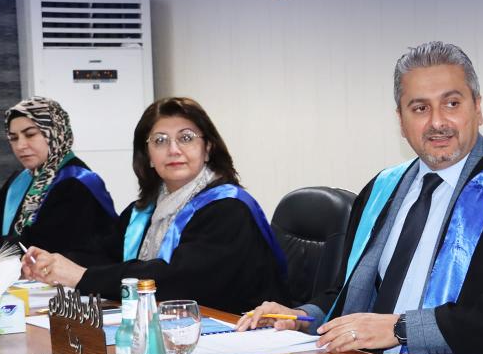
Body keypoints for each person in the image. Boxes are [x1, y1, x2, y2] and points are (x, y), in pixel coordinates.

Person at [239, 41, 483, 354]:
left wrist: (400, 328)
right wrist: (303, 318)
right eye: (420, 108)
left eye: (452, 103)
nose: (438, 122)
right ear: (400, 119)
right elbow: (348, 293)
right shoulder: (384, 188)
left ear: (477, 108)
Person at [24, 97, 289, 315]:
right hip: (173, 329)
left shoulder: (228, 209)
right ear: (148, 156)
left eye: (186, 138)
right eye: (160, 141)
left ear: (207, 148)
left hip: (237, 335)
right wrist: (55, 262)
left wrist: (81, 276)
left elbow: (178, 280)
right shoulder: (143, 210)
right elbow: (104, 254)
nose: (173, 150)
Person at [0, 97, 116, 259]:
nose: (20, 146)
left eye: (30, 134)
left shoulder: (77, 182)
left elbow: (40, 247)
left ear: (56, 133)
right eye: (13, 138)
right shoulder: (20, 180)